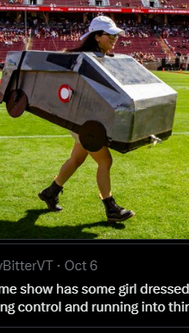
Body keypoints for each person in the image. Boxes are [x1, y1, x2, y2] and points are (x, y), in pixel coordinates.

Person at [38, 16, 135, 223]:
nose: (115, 39)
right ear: (97, 37)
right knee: (105, 160)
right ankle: (111, 208)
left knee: (77, 159)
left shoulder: (102, 57)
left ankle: (50, 192)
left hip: (89, 118)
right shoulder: (83, 58)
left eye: (116, 35)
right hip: (81, 120)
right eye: (111, 35)